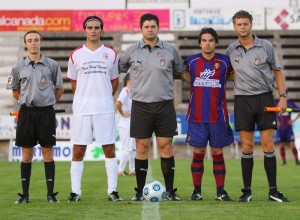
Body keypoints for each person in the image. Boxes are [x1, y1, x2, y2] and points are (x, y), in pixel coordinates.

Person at [225, 10, 290, 202]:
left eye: (245, 24)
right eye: (239, 24)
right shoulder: (231, 50)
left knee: (268, 145)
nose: (242, 27)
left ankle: (273, 192)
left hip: (264, 98)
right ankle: (247, 191)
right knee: (247, 146)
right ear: (234, 26)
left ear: (251, 25)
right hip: (242, 100)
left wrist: (283, 97)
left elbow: (277, 72)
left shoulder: (266, 46)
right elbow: (227, 74)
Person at [119, 13, 184, 201]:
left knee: (166, 147)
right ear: (141, 29)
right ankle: (139, 192)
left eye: (153, 26)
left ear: (158, 27)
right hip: (141, 105)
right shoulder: (132, 51)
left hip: (164, 105)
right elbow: (120, 68)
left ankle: (171, 191)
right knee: (141, 147)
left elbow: (179, 72)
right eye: (146, 26)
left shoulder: (170, 50)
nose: (150, 29)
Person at [66, 16, 122, 202]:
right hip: (82, 108)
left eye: (96, 27)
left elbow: (115, 81)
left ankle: (112, 191)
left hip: (104, 108)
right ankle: (75, 192)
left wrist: (104, 96)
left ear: (101, 30)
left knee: (109, 149)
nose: (93, 30)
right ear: (84, 30)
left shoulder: (111, 54)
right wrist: (86, 96)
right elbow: (74, 83)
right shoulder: (76, 55)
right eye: (89, 27)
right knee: (78, 150)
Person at [6, 30, 64, 204]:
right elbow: (14, 91)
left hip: (46, 112)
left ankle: (50, 194)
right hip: (26, 113)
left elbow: (59, 89)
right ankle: (25, 195)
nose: (33, 43)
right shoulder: (17, 67)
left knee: (48, 152)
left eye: (36, 40)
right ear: (25, 44)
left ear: (40, 42)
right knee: (26, 154)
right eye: (30, 40)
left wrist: (48, 101)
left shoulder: (52, 65)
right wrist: (26, 101)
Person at [183, 27, 234, 202]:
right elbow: (178, 74)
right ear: (199, 43)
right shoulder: (190, 62)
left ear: (216, 42)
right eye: (204, 40)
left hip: (218, 116)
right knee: (198, 152)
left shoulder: (226, 62)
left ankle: (220, 192)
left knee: (217, 152)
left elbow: (236, 76)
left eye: (211, 40)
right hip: (197, 116)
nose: (207, 43)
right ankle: (196, 192)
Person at [115, 74, 136, 176]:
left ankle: (132, 169)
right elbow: (118, 103)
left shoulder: (130, 92)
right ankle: (120, 170)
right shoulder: (125, 91)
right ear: (129, 80)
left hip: (131, 123)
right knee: (127, 148)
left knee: (132, 148)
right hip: (125, 124)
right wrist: (122, 113)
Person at [275, 99, 300, 166]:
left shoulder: (290, 103)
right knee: (281, 146)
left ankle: (297, 161)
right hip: (280, 129)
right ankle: (284, 161)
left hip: (288, 128)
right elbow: (270, 113)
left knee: (292, 144)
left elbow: (298, 110)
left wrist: (293, 120)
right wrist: (276, 122)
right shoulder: (276, 104)